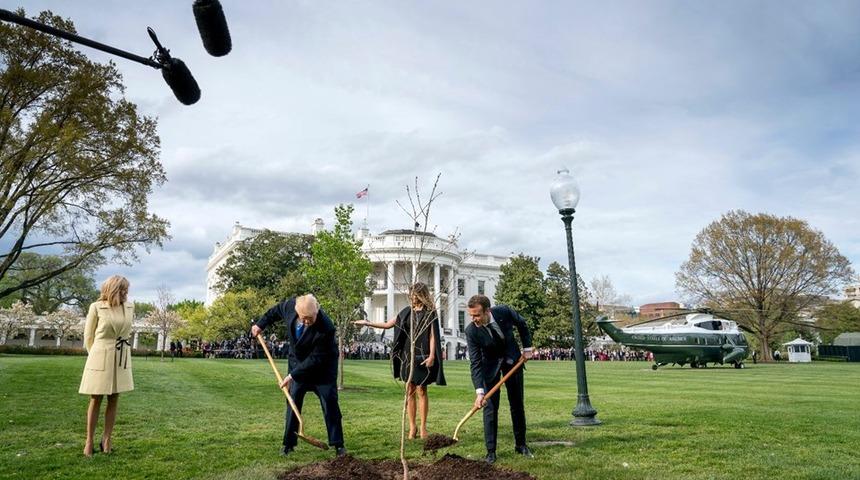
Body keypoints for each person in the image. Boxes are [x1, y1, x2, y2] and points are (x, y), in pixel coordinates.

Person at [251, 294, 346, 457]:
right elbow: (275, 311)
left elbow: (316, 358)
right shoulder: (289, 307)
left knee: (330, 402)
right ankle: (288, 444)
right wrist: (261, 324)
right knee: (293, 400)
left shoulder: (327, 327)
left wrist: (292, 376)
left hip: (322, 369)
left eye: (311, 318)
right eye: (304, 318)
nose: (307, 321)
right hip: (297, 362)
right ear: (296, 312)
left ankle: (338, 445)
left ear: (317, 310)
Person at [354, 282, 446, 439]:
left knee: (422, 390)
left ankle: (423, 427)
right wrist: (367, 323)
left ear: (421, 295)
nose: (412, 296)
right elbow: (388, 324)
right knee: (409, 390)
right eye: (411, 294)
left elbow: (432, 335)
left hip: (422, 355)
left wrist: (432, 356)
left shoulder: (430, 313)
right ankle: (412, 427)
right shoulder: (406, 312)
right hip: (407, 355)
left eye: (414, 294)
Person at [465, 294, 534, 464]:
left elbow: (522, 323)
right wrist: (480, 392)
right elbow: (475, 363)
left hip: (513, 360)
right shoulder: (471, 331)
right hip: (490, 366)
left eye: (477, 315)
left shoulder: (504, 311)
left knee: (517, 404)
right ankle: (491, 452)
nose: (474, 319)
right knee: (490, 408)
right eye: (471, 315)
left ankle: (521, 445)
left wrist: (527, 348)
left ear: (487, 311)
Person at [78, 275, 135, 457]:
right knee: (96, 399)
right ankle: (89, 441)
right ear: (112, 289)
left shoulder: (130, 307)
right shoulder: (96, 307)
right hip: (100, 355)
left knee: (114, 398)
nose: (126, 293)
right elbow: (88, 337)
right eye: (122, 289)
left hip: (121, 356)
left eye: (127, 289)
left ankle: (107, 439)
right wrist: (96, 355)